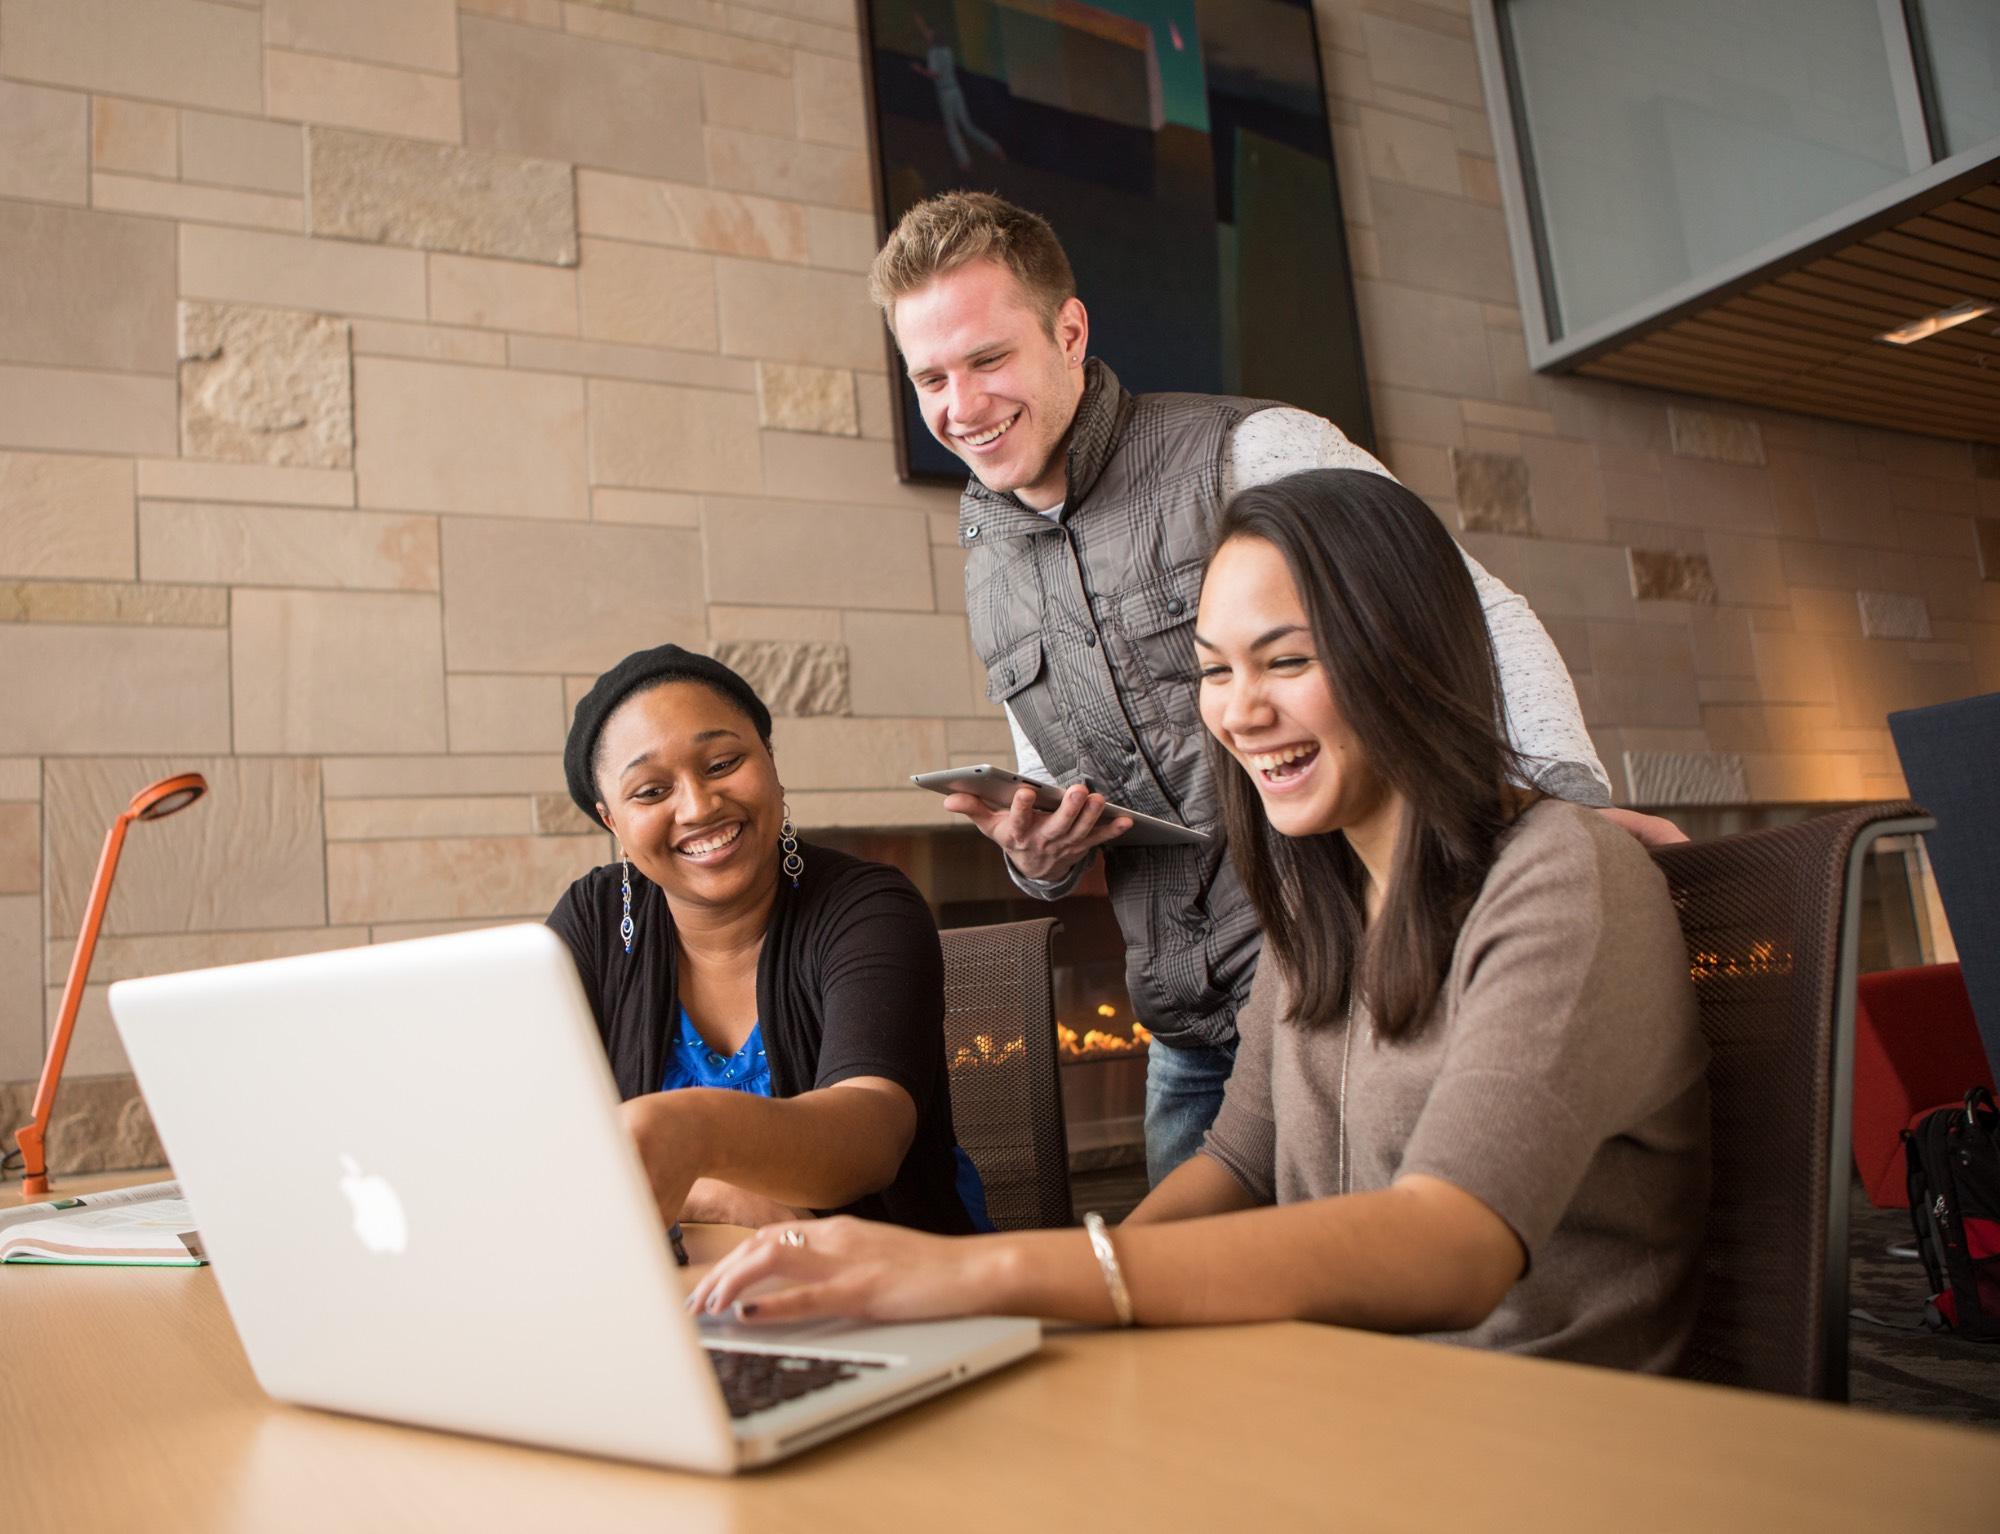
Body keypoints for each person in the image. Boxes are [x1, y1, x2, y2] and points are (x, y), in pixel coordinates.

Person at [689, 469, 1710, 1373]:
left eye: (1285, 660)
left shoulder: (1562, 874)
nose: (1238, 711)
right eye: (1214, 671)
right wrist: (1041, 1318)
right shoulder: (1320, 897)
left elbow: (1450, 1243)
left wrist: (991, 1273)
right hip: (1342, 1406)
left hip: (1538, 1437)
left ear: (1405, 654)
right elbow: (1235, 1164)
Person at [867, 191, 1682, 1185]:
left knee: (1366, 1294)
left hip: (1333, 984)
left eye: (988, 359)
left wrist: (1557, 814)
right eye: (930, 379)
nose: (961, 405)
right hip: (1179, 1015)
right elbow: (1057, 771)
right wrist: (1037, 853)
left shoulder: (1250, 449)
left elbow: (1475, 612)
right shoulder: (985, 553)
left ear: (1069, 331)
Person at [548, 643, 988, 1235]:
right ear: (613, 824)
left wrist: (696, 1133)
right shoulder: (592, 918)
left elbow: (872, 1135)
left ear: (772, 764)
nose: (699, 806)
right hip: (675, 1300)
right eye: (651, 792)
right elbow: (532, 1135)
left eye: (723, 763)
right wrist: (711, 1197)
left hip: (893, 1287)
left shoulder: (867, 906)